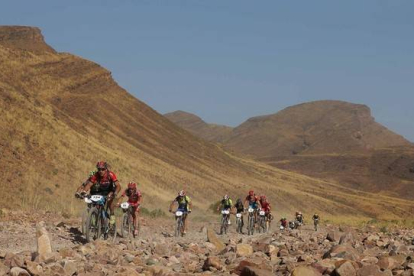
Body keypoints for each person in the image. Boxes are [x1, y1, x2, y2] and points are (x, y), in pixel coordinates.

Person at [80, 161, 121, 227]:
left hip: (110, 190)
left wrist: (115, 193)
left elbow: (118, 186)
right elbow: (89, 184)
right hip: (100, 191)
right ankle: (99, 222)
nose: (101, 171)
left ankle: (112, 215)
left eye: (103, 169)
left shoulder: (110, 174)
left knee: (109, 202)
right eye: (99, 169)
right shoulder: (96, 175)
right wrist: (84, 191)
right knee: (97, 205)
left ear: (106, 169)